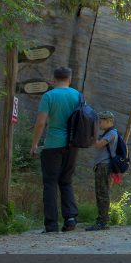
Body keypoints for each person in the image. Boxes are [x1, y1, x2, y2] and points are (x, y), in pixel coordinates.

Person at [30, 66, 83, 233]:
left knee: (50, 183)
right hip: (72, 145)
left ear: (53, 79)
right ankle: (70, 218)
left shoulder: (49, 96)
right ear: (69, 79)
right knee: (66, 180)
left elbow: (40, 123)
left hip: (53, 145)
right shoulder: (78, 95)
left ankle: (51, 225)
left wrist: (34, 145)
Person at [86, 111, 117, 231]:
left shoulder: (111, 133)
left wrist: (93, 134)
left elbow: (97, 145)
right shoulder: (107, 133)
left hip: (105, 165)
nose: (99, 124)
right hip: (101, 165)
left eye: (101, 121)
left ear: (108, 121)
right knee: (99, 193)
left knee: (103, 194)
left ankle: (103, 221)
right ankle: (100, 220)